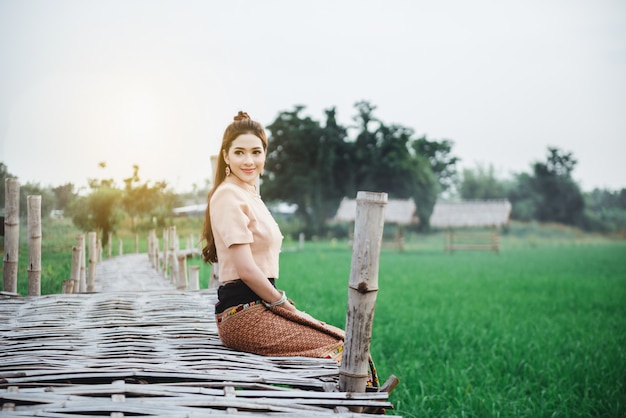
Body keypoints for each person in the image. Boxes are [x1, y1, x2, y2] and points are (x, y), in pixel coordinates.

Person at [201, 111, 379, 388]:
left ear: (265, 155)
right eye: (239, 153)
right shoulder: (227, 195)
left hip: (259, 307)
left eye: (256, 152)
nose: (249, 161)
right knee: (345, 349)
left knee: (348, 342)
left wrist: (278, 305)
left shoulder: (249, 193)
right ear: (226, 156)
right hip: (244, 315)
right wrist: (283, 304)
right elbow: (247, 270)